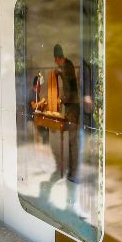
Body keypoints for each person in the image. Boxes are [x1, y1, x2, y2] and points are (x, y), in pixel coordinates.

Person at [53, 43, 80, 184]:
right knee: (71, 141)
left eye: (55, 60)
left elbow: (69, 92)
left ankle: (74, 173)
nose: (55, 62)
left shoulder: (67, 67)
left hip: (73, 109)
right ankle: (72, 171)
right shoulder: (66, 66)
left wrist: (60, 100)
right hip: (72, 107)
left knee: (72, 141)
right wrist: (59, 73)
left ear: (58, 58)